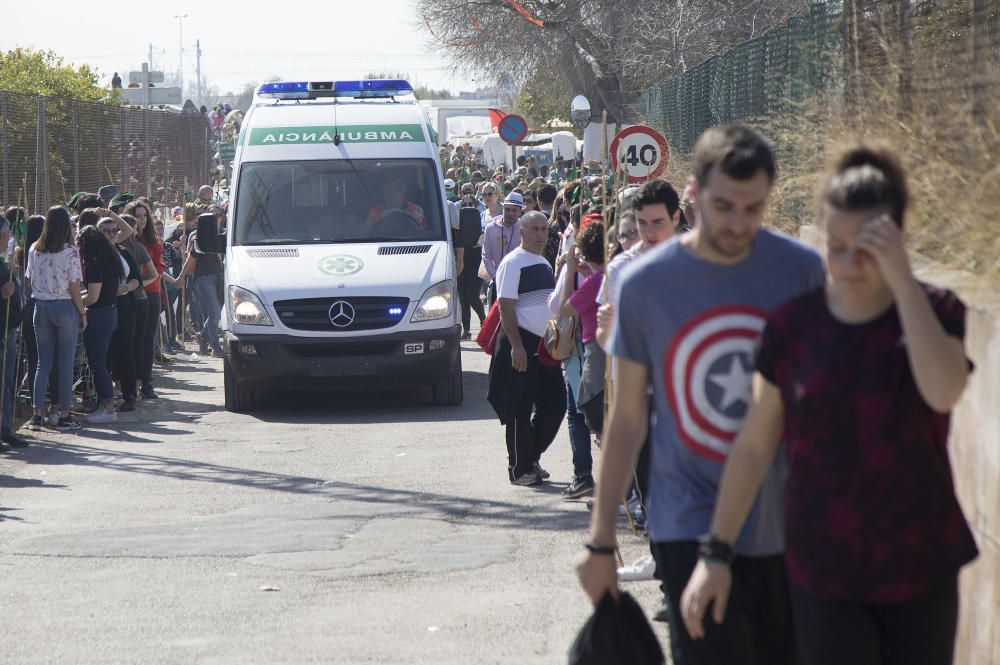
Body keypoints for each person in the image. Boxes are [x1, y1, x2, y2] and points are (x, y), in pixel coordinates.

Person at [680, 142, 978, 665]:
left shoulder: (936, 310)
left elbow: (944, 391)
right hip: (823, 564)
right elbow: (754, 445)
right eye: (836, 247)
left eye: (865, 249)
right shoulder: (792, 327)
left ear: (895, 240)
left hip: (920, 558)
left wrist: (903, 281)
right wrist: (716, 551)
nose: (847, 263)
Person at [576, 125, 826, 665]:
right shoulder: (645, 284)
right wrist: (600, 539)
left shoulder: (802, 272)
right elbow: (626, 420)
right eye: (722, 206)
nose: (738, 224)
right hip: (685, 520)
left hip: (786, 524)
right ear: (692, 193)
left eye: (752, 208)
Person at [487, 211, 566, 486]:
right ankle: (519, 469)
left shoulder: (543, 263)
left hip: (544, 346)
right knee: (519, 410)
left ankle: (531, 457)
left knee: (556, 404)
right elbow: (506, 307)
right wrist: (517, 347)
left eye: (544, 229)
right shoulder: (512, 263)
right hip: (520, 343)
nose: (541, 234)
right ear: (522, 232)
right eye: (535, 229)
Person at [25, 206, 87, 431]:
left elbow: (30, 278)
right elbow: (74, 285)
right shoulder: (70, 251)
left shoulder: (34, 249)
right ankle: (63, 414)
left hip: (40, 306)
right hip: (64, 306)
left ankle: (37, 415)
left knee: (43, 362)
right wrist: (82, 311)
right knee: (65, 363)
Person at [127, 200, 175, 398]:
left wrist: (140, 282)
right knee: (131, 340)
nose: (141, 220)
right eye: (137, 216)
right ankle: (131, 382)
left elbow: (158, 268)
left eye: (144, 216)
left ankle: (146, 383)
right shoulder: (124, 240)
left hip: (151, 293)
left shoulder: (154, 241)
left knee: (147, 340)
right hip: (128, 296)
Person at [77, 225, 123, 424]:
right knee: (100, 363)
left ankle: (108, 407)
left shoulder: (95, 264)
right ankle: (106, 405)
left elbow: (93, 297)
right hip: (110, 314)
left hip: (99, 316)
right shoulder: (110, 259)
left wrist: (75, 301)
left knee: (98, 365)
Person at [104, 218, 142, 412]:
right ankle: (102, 397)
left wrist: (126, 287)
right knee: (104, 354)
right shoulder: (94, 254)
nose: (111, 235)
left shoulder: (124, 251)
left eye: (113, 231)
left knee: (125, 351)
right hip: (103, 306)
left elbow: (137, 278)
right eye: (106, 231)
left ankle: (129, 395)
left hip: (125, 305)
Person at [179, 213, 225, 357]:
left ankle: (202, 336)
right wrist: (181, 277)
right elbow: (190, 260)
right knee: (214, 313)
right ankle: (215, 347)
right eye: (214, 222)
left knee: (215, 313)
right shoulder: (199, 240)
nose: (218, 224)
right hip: (204, 279)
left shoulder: (219, 238)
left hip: (219, 276)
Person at [482, 192, 524, 306]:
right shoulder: (490, 228)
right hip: (498, 281)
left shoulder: (524, 229)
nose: (510, 213)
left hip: (520, 282)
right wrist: (495, 276)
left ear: (520, 211)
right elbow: (486, 256)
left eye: (514, 210)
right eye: (507, 209)